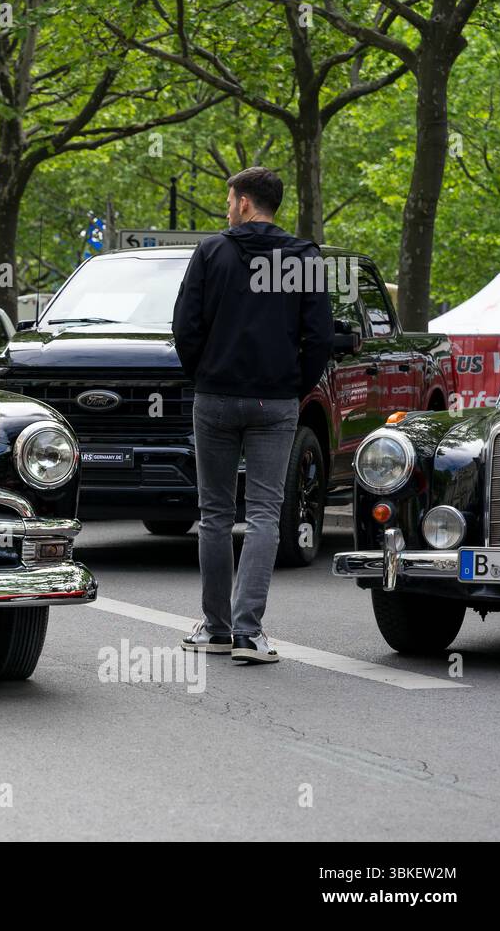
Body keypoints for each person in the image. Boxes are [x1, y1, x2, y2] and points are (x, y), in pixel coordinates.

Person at [172, 166, 332, 665]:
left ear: (244, 203)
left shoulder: (210, 253)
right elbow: (321, 337)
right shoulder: (304, 258)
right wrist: (292, 386)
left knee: (215, 515)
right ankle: (249, 633)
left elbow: (184, 325)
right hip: (275, 402)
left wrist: (204, 373)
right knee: (265, 514)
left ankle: (215, 627)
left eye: (228, 198)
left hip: (215, 397)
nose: (225, 207)